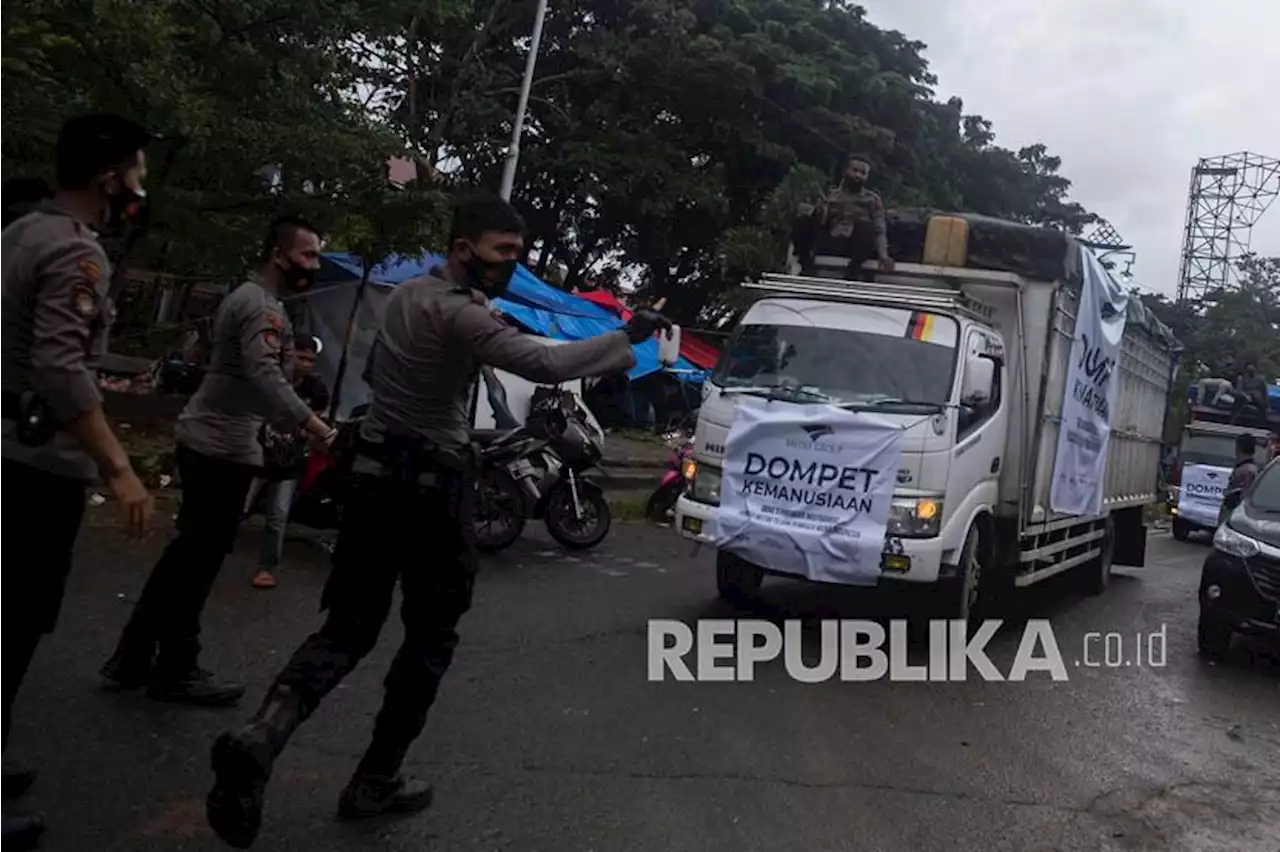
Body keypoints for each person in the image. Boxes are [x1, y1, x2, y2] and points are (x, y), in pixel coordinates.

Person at [205, 191, 671, 848]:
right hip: (429, 488)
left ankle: (263, 734)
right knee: (430, 638)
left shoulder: (406, 298)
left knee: (346, 630)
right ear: (463, 250)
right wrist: (630, 335)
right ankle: (375, 778)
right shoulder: (459, 315)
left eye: (518, 254)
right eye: (502, 252)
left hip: (371, 478)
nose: (511, 265)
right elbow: (542, 363)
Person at [100, 216, 338, 707]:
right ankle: (176, 668)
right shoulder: (261, 308)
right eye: (308, 255)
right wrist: (316, 429)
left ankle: (134, 657)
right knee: (198, 564)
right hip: (220, 449)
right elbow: (266, 377)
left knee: (183, 558)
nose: (314, 265)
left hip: (214, 441)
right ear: (278, 254)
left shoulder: (257, 301)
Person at [0, 113, 156, 852]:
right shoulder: (73, 253)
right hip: (31, 464)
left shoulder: (20, 231)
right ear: (108, 177)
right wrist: (118, 466)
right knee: (13, 622)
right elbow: (62, 368)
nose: (140, 186)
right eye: (136, 171)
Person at [242, 334, 330, 589]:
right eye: (301, 357)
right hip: (258, 455)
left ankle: (267, 567)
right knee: (239, 507)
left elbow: (314, 425)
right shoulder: (272, 382)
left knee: (278, 517)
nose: (306, 364)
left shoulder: (316, 390)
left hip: (289, 461)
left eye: (311, 360)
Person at [794, 153, 894, 279]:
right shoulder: (830, 194)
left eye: (863, 173)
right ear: (845, 171)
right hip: (830, 240)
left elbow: (880, 230)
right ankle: (806, 264)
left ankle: (853, 271)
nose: (858, 175)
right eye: (855, 170)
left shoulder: (872, 200)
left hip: (856, 247)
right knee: (802, 220)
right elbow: (817, 223)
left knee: (867, 226)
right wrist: (819, 212)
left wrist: (883, 256)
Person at [1220, 433, 1260, 525]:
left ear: (1238, 448)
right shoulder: (1248, 468)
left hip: (1233, 516)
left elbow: (1242, 495)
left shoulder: (1246, 471)